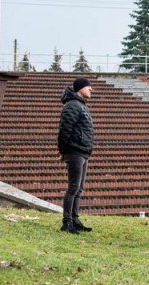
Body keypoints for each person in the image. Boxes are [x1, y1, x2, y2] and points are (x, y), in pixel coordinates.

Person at [57, 77, 95, 235]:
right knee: (73, 187)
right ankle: (67, 222)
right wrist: (63, 151)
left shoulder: (81, 105)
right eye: (88, 87)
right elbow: (64, 129)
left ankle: (75, 219)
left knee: (79, 189)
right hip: (75, 150)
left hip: (83, 150)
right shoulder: (72, 105)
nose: (91, 89)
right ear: (80, 88)